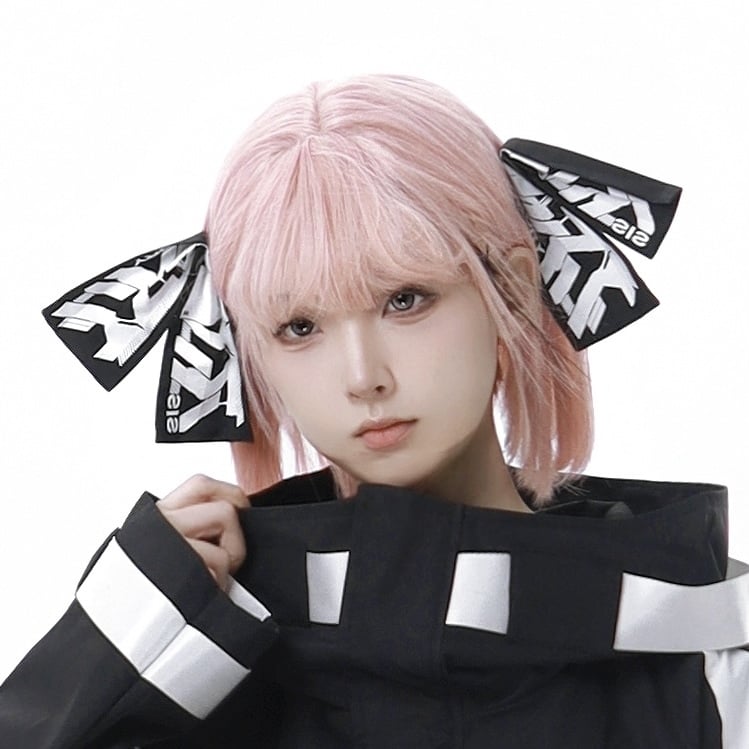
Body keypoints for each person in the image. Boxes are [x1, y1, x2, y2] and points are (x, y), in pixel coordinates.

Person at [1, 74, 747, 748]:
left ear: (514, 291)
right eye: (300, 327)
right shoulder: (195, 648)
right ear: (247, 350)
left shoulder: (705, 634)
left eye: (405, 299)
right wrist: (115, 637)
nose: (363, 378)